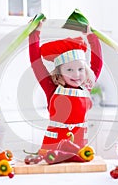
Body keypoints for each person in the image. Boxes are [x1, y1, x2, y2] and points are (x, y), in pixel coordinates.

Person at [29, 21, 103, 156]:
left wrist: (90, 36)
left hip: (79, 150)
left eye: (80, 69)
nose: (76, 74)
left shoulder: (86, 86)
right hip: (52, 150)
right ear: (59, 72)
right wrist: (35, 33)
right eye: (69, 69)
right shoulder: (51, 87)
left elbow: (98, 62)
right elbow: (36, 64)